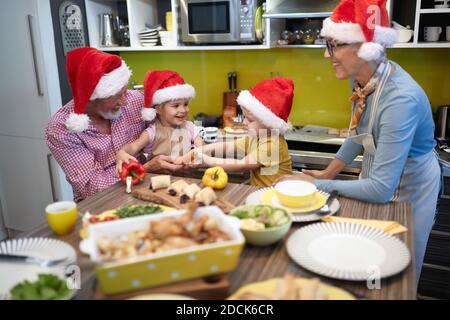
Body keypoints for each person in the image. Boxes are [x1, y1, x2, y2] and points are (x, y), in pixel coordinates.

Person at [276, 0, 441, 279]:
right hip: (382, 180)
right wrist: (329, 171)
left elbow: (380, 189)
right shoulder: (364, 80)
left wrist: (318, 184)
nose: (328, 56)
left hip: (410, 190)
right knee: (373, 266)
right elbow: (357, 133)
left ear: (365, 48)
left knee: (398, 275)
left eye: (334, 45)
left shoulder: (400, 99)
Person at [45, 48, 183, 202]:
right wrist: (145, 168)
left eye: (125, 91)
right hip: (103, 202)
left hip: (149, 188)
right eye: (116, 96)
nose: (125, 101)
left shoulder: (135, 101)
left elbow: (168, 127)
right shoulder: (61, 128)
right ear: (91, 97)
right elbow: (92, 187)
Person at [179, 77, 293, 187]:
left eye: (250, 120)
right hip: (261, 192)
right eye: (244, 117)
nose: (245, 122)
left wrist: (207, 160)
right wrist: (201, 149)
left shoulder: (272, 144)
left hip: (275, 195)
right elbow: (228, 147)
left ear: (270, 123)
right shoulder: (255, 137)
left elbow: (242, 165)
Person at [116, 70, 204, 174]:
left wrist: (196, 155)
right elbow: (133, 146)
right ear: (158, 109)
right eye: (176, 106)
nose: (183, 110)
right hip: (157, 183)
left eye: (185, 104)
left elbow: (203, 148)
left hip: (187, 180)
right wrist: (121, 153)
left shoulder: (189, 127)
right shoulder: (151, 132)